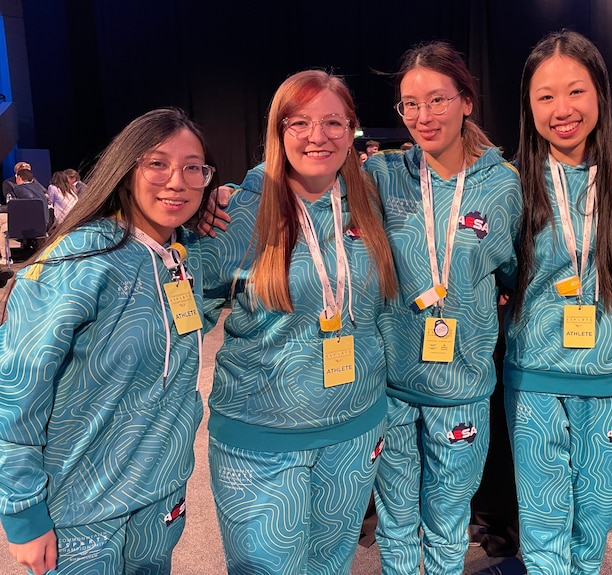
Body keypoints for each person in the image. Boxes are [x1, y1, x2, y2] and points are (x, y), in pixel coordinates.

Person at [0, 107, 216, 575]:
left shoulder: (181, 258)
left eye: (193, 167)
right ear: (125, 168)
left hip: (161, 496)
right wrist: (21, 511)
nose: (177, 181)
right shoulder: (78, 261)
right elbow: (17, 392)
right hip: (80, 510)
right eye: (157, 163)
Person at [199, 70, 397, 575]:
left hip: (355, 428)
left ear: (352, 129)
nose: (317, 136)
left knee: (331, 565)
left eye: (334, 122)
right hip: (261, 436)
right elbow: (183, 311)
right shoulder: (238, 209)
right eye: (300, 122)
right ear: (278, 129)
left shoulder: (369, 201)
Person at [362, 41, 522, 575]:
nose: (423, 117)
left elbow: (513, 272)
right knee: (397, 519)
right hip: (393, 385)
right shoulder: (383, 176)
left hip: (463, 387)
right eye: (410, 104)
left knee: (449, 517)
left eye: (437, 100)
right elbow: (309, 182)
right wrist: (229, 192)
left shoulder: (503, 185)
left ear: (467, 100)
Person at [503, 30, 612, 575]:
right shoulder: (510, 181)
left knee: (593, 528)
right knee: (542, 529)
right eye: (545, 96)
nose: (562, 110)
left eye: (575, 92)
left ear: (600, 95)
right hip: (536, 379)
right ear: (529, 106)